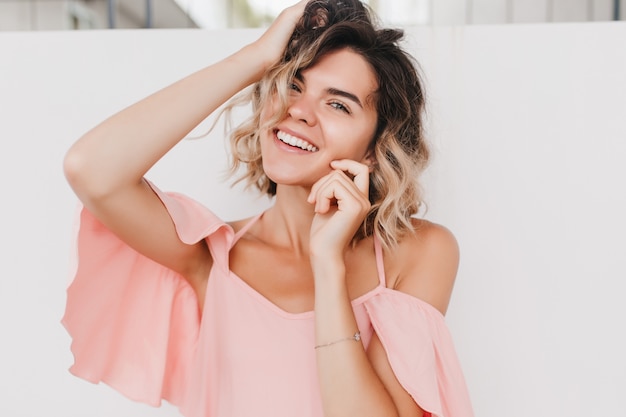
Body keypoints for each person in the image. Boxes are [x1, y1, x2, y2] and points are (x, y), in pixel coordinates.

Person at [62, 0, 473, 416]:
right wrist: (257, 57)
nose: (299, 110)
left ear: (374, 149)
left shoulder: (420, 252)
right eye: (292, 84)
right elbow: (90, 169)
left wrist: (328, 264)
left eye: (338, 104)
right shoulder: (213, 257)